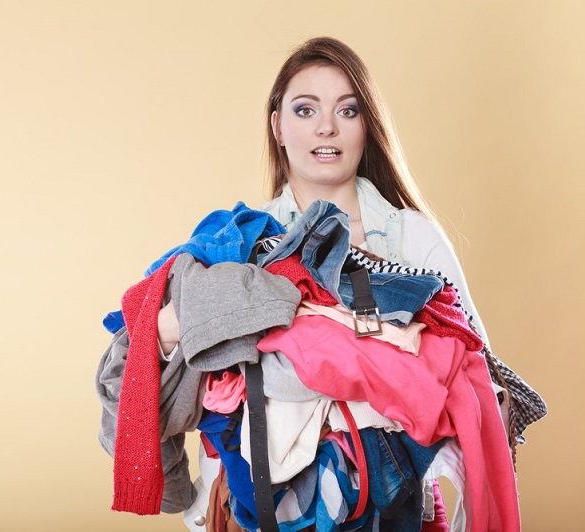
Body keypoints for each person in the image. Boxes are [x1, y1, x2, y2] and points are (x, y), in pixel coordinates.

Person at [156, 36, 491, 530]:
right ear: (278, 126)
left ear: (366, 127)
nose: (327, 127)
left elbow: (479, 370)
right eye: (306, 109)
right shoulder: (242, 242)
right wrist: (170, 330)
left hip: (392, 505)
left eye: (348, 110)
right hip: (264, 509)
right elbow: (195, 382)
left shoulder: (411, 235)